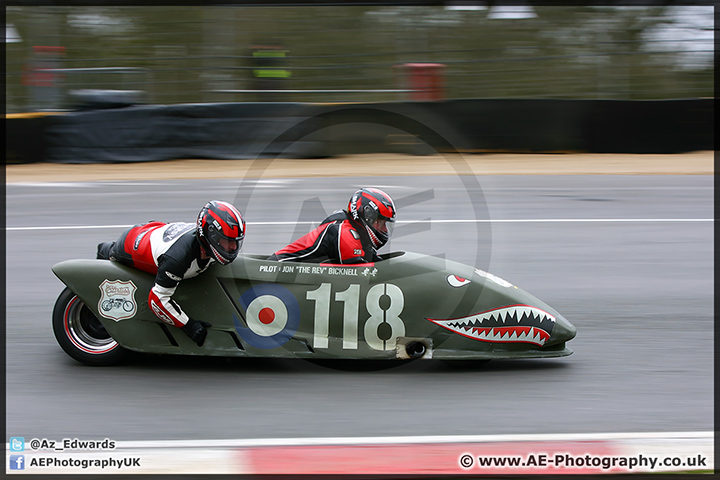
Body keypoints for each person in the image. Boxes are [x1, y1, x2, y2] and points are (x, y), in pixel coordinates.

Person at [96, 201, 246, 346]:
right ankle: (105, 251)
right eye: (227, 241)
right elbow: (156, 300)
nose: (233, 247)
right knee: (111, 251)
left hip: (158, 229)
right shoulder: (177, 260)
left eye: (236, 242)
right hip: (131, 244)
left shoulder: (208, 243)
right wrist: (189, 325)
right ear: (211, 235)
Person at [268, 188, 396, 264]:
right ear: (365, 215)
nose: (384, 230)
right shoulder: (343, 231)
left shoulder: (358, 232)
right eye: (380, 223)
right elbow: (359, 273)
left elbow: (375, 261)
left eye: (385, 224)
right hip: (279, 270)